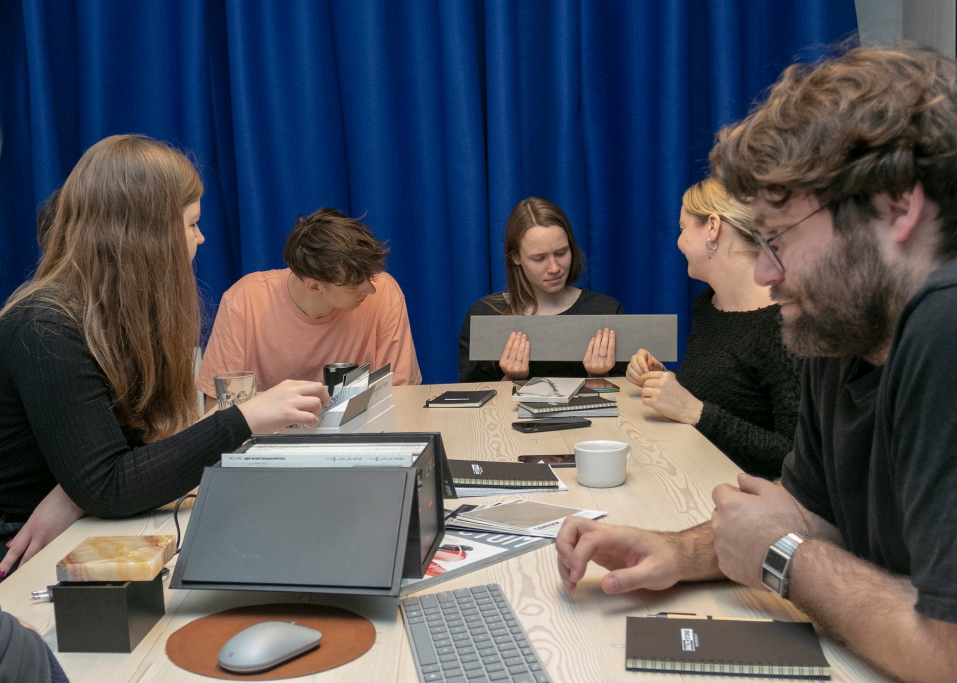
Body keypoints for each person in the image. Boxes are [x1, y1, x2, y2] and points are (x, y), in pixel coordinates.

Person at [557, 44, 957, 681]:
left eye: (778, 238)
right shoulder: (840, 328)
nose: (767, 275)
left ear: (894, 207)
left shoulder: (943, 327)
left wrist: (783, 558)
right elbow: (804, 514)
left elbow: (947, 650)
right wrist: (678, 550)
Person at [0, 135, 328, 577]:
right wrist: (245, 418)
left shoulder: (113, 316)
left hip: (82, 528)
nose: (202, 237)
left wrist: (74, 493)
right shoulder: (43, 327)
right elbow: (109, 485)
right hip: (26, 555)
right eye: (191, 224)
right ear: (147, 235)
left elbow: (123, 454)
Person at [626, 178, 800, 478]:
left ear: (713, 227)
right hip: (693, 476)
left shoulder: (783, 323)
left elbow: (794, 457)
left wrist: (694, 411)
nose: (679, 242)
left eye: (683, 228)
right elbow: (728, 395)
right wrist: (667, 380)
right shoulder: (708, 305)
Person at [197, 208, 421, 400]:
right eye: (354, 285)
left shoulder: (385, 291)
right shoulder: (244, 300)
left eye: (370, 276)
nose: (371, 289)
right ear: (314, 286)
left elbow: (402, 399)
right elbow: (219, 409)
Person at [459, 197, 625, 382]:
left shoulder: (607, 311)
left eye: (561, 253)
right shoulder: (484, 315)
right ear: (515, 257)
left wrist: (598, 376)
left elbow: (629, 400)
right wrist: (511, 379)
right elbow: (472, 402)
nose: (554, 268)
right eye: (539, 258)